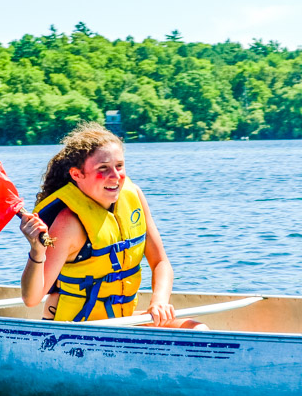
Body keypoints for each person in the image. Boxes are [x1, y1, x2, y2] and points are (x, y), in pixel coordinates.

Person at [17, 122, 205, 328]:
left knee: (196, 329)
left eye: (119, 166)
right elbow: (32, 299)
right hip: (78, 327)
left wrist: (159, 302)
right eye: (103, 168)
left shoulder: (134, 196)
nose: (115, 176)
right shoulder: (68, 223)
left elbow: (161, 262)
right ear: (77, 174)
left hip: (123, 321)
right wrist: (37, 251)